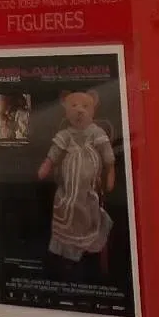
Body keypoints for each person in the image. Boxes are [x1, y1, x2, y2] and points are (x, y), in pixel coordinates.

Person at [38, 88, 116, 267]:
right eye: (73, 105)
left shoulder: (95, 132)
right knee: (64, 203)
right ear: (65, 108)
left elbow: (107, 155)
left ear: (93, 108)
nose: (79, 110)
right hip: (67, 188)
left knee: (87, 208)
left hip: (89, 187)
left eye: (85, 106)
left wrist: (110, 172)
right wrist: (47, 164)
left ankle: (84, 241)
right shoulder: (65, 134)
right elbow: (55, 152)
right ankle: (67, 244)